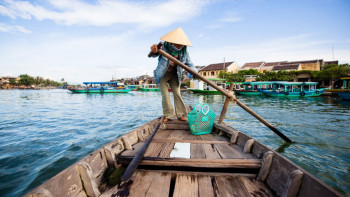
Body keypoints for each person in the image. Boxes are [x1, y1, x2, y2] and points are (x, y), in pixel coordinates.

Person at [150, 27, 198, 122]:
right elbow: (153, 54)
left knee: (177, 93)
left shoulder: (184, 52)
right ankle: (168, 115)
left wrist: (195, 73)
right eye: (177, 44)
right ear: (172, 42)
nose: (179, 46)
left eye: (181, 44)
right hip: (163, 74)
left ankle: (181, 114)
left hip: (175, 74)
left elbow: (190, 64)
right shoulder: (163, 46)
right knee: (165, 95)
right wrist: (154, 50)